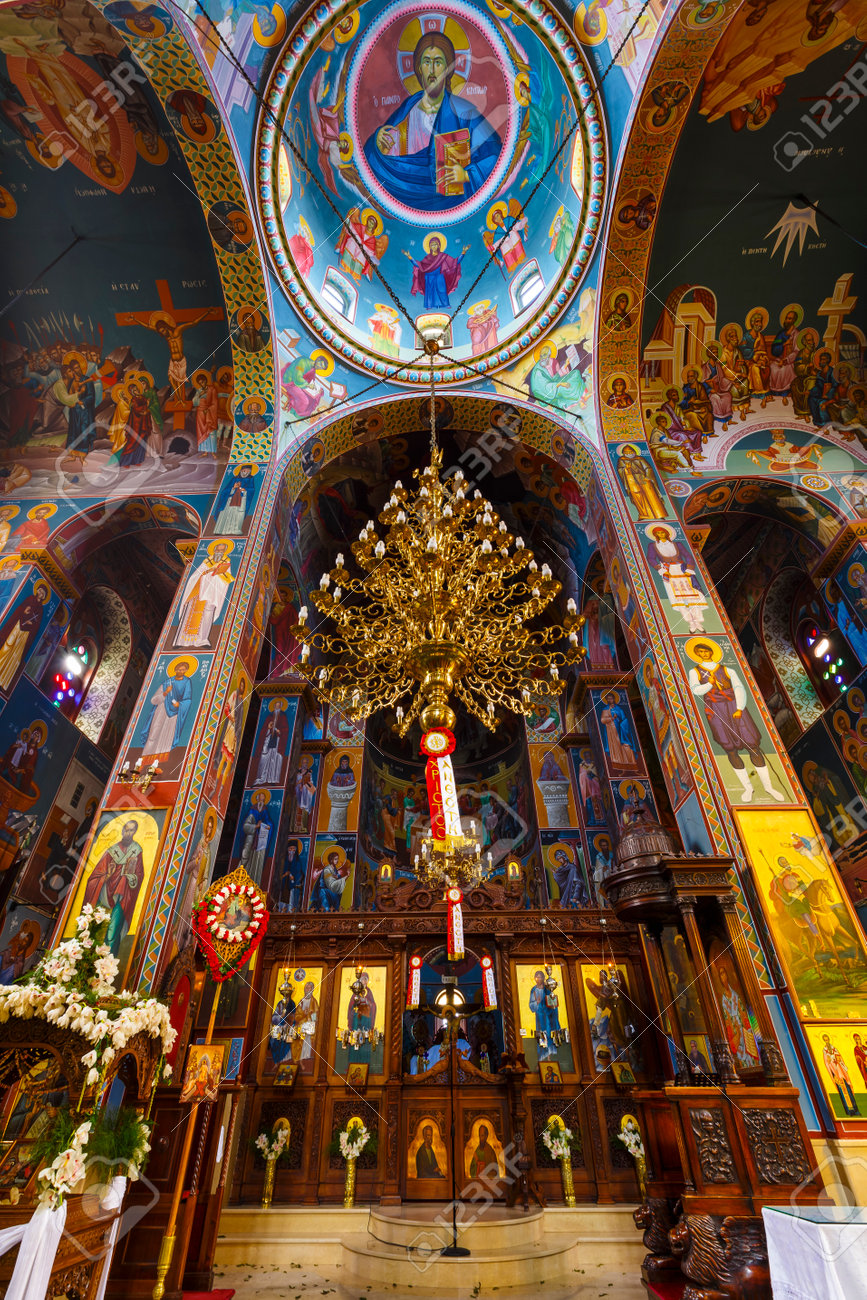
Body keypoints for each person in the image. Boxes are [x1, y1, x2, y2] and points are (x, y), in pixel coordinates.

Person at [363, 31, 502, 210]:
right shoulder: (409, 108)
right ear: (419, 68)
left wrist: (466, 175)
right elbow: (380, 155)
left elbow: (495, 155)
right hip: (406, 195)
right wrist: (379, 143)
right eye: (426, 62)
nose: (432, 70)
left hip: (450, 201)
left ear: (448, 68)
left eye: (438, 62)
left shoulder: (464, 111)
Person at [686, 640, 785, 803]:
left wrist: (739, 708)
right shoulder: (695, 672)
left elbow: (739, 687)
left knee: (753, 746)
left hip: (734, 707)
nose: (704, 655)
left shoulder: (727, 669)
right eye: (701, 653)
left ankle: (769, 787)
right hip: (716, 710)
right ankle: (748, 788)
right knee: (730, 750)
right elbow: (695, 689)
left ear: (711, 652)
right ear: (697, 654)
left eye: (706, 652)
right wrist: (709, 685)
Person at [82, 819, 144, 956]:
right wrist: (106, 876)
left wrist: (131, 876)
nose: (128, 833)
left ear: (135, 832)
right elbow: (95, 876)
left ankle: (108, 960)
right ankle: (88, 957)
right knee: (95, 928)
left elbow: (139, 875)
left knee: (112, 931)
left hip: (123, 896)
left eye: (131, 830)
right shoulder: (112, 851)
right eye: (126, 829)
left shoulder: (137, 851)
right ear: (122, 831)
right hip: (105, 893)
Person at [646, 525, 708, 633]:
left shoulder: (677, 544)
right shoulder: (653, 545)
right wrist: (660, 569)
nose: (661, 535)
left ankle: (698, 621)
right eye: (658, 533)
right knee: (676, 596)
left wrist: (689, 569)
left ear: (667, 533)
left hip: (682, 569)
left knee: (692, 594)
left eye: (663, 532)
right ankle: (690, 622)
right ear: (655, 535)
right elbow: (650, 558)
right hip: (668, 571)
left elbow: (687, 555)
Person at [174, 543, 233, 648]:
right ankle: (181, 641)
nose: (219, 552)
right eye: (218, 550)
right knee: (189, 613)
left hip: (212, 593)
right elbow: (196, 574)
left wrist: (218, 573)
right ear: (214, 550)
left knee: (207, 613)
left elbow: (227, 578)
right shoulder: (208, 561)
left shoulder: (226, 561)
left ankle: (202, 640)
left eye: (221, 550)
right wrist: (208, 572)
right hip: (198, 591)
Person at [139, 658, 194, 764]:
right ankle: (144, 760)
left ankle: (157, 763)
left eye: (183, 670)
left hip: (174, 713)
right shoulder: (167, 682)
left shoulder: (187, 682)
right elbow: (153, 700)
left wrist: (180, 704)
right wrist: (165, 693)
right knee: (154, 733)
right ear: (175, 669)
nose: (181, 671)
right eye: (179, 669)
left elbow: (188, 699)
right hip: (161, 710)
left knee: (167, 736)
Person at [404, 237, 469, 310]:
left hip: (439, 276)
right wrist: (409, 257)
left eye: (435, 244)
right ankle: (429, 305)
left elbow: (454, 262)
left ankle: (446, 304)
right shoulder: (427, 258)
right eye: (432, 245)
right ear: (429, 247)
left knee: (442, 290)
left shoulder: (443, 256)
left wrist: (463, 253)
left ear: (439, 246)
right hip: (429, 277)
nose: (433, 246)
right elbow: (418, 265)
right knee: (430, 293)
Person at [616, 444, 666, 520]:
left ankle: (658, 514)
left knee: (652, 496)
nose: (629, 454)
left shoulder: (640, 459)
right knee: (638, 497)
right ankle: (643, 514)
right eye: (627, 452)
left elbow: (648, 468)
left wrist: (647, 476)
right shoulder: (622, 460)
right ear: (624, 453)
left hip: (644, 479)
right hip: (631, 480)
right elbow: (620, 470)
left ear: (634, 452)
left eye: (631, 452)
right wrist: (627, 469)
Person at [822, 1034, 859, 1116]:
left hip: (841, 1072)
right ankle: (848, 1111)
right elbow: (827, 1063)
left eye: (827, 1039)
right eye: (825, 1040)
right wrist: (830, 1060)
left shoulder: (834, 1049)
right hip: (835, 1073)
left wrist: (837, 1058)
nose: (827, 1041)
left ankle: (855, 1109)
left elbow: (840, 1058)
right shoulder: (825, 1051)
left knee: (848, 1089)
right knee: (842, 1092)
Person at [239, 791, 272, 885]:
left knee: (257, 857)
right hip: (250, 837)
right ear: (257, 798)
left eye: (264, 797)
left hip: (260, 838)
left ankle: (252, 880)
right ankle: (241, 876)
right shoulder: (252, 810)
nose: (263, 798)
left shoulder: (265, 809)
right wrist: (256, 826)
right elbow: (245, 826)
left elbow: (267, 820)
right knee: (246, 853)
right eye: (261, 796)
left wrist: (268, 825)